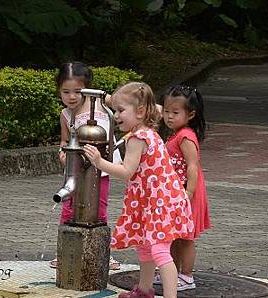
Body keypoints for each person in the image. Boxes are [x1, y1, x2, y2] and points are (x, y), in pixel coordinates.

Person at [83, 82, 194, 298]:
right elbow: (157, 109)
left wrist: (98, 162)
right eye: (115, 110)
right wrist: (121, 100)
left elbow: (126, 171)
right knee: (145, 246)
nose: (116, 115)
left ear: (141, 111)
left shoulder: (137, 138)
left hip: (159, 204)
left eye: (121, 110)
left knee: (160, 252)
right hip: (154, 202)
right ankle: (144, 291)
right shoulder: (148, 130)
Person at [50, 61, 123, 270]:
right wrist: (62, 153)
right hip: (75, 168)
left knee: (99, 209)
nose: (72, 97)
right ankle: (64, 252)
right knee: (68, 208)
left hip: (101, 167)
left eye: (77, 91)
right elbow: (64, 141)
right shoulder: (65, 114)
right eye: (66, 92)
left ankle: (102, 253)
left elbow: (122, 104)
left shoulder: (99, 101)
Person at [155, 84, 211, 291]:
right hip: (175, 192)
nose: (169, 116)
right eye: (167, 111)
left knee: (186, 237)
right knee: (175, 235)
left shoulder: (186, 136)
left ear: (191, 114)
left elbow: (193, 166)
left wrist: (188, 193)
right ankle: (172, 271)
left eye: (175, 112)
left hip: (187, 192)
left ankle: (187, 275)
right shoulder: (176, 133)